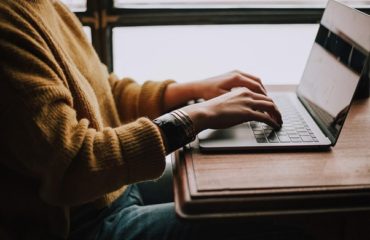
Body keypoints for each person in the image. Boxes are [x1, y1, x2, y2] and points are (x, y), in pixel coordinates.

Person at [0, 1, 314, 240]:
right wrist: (192, 118)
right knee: (275, 223)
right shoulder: (7, 24)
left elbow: (104, 91)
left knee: (259, 187)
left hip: (112, 188)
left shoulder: (44, 5)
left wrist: (190, 90)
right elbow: (73, 166)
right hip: (81, 223)